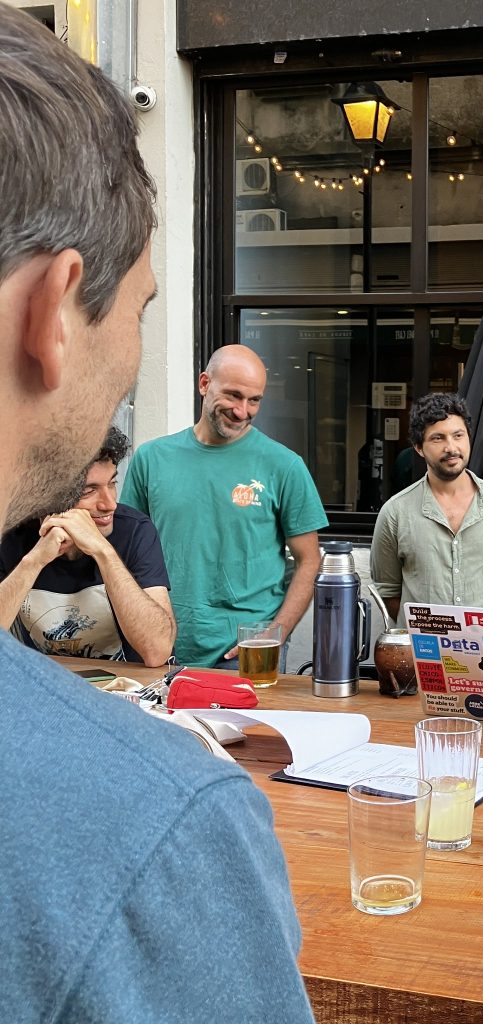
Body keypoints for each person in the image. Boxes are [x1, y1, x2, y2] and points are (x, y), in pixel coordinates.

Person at [0, 8, 314, 1022]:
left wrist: (276, 631)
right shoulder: (168, 827)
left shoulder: (277, 467)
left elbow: (303, 554)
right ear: (56, 310)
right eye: (138, 309)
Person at [120, 344, 328, 668]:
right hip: (159, 647)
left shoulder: (284, 465)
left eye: (254, 400)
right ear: (204, 384)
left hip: (243, 651)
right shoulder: (151, 458)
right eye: (233, 396)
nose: (242, 411)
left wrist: (277, 632)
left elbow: (309, 560)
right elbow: (126, 550)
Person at [0, 425, 175, 666]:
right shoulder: (11, 534)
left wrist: (103, 552)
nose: (110, 504)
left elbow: (157, 651)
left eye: (112, 483)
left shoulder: (135, 531)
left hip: (128, 682)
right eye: (89, 490)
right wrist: (34, 561)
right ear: (46, 495)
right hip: (46, 681)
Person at [370, 392, 483, 623]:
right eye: (438, 438)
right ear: (419, 447)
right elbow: (389, 592)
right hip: (422, 643)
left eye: (458, 435)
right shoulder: (395, 512)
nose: (451, 447)